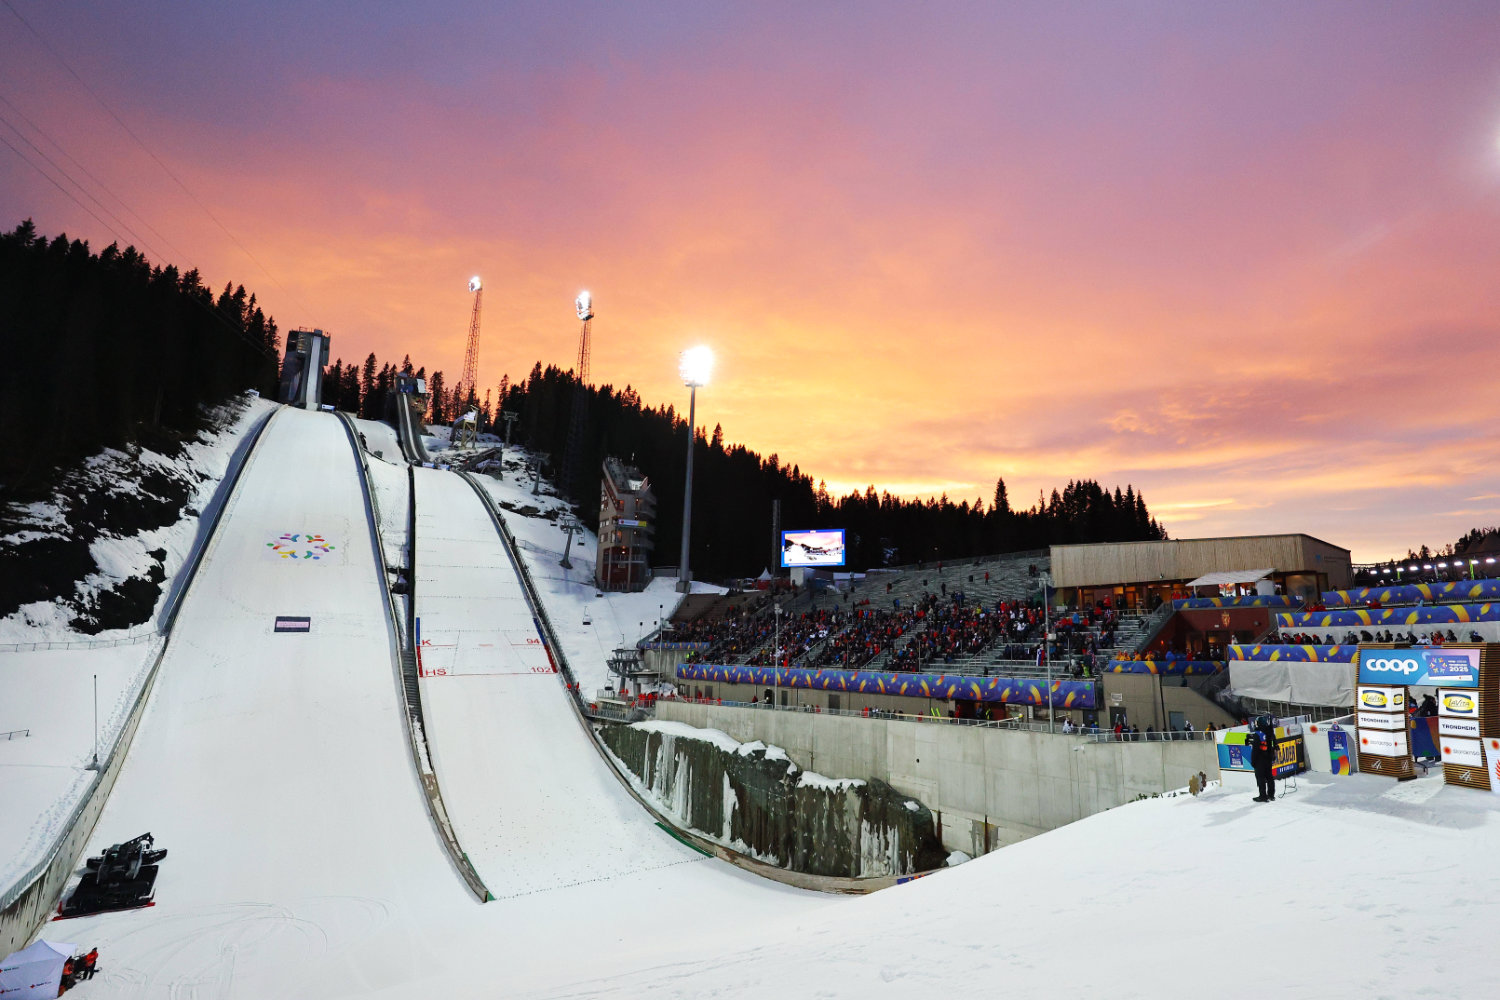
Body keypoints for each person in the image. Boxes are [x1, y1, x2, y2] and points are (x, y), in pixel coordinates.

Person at [1250, 716, 1276, 802]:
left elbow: (1255, 749)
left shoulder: (1258, 734)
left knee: (1260, 778)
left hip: (1260, 759)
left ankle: (1263, 796)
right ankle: (1271, 795)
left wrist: (1253, 761)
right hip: (1268, 758)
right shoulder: (1269, 732)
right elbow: (1273, 744)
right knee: (1269, 777)